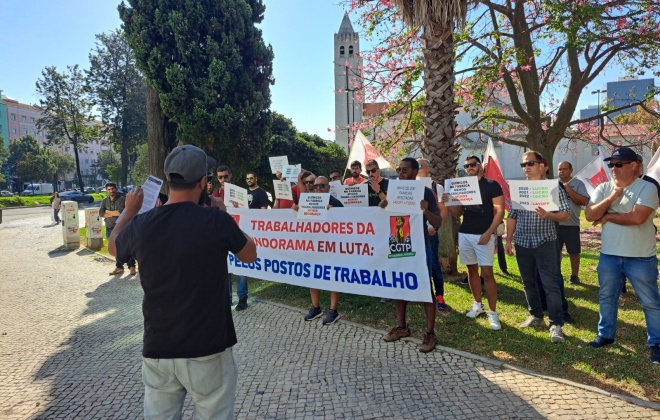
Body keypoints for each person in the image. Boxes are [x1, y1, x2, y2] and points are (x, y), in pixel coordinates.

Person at [109, 144, 257, 418]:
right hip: (208, 347)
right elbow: (249, 254)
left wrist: (130, 211)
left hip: (158, 347)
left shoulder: (142, 224)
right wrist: (223, 214)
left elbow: (114, 249)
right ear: (203, 182)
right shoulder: (215, 219)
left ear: (169, 179)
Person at [584, 147, 660, 363]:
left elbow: (637, 218)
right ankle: (605, 335)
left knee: (650, 302)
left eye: (619, 164)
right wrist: (610, 199)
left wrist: (607, 216)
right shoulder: (604, 188)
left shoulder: (647, 188)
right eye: (611, 164)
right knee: (606, 297)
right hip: (609, 255)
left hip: (640, 257)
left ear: (634, 165)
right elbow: (590, 215)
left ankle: (657, 342)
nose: (613, 168)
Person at [380, 157, 445, 353]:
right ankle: (401, 327)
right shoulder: (393, 190)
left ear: (416, 171)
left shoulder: (425, 192)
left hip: (420, 244)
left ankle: (430, 333)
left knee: (425, 288)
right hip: (399, 242)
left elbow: (438, 222)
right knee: (400, 285)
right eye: (399, 169)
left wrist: (425, 210)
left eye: (405, 170)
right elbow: (385, 217)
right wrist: (383, 206)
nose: (400, 173)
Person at [505, 151, 570, 343]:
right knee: (528, 282)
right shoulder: (520, 188)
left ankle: (556, 323)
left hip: (546, 242)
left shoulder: (554, 186)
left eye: (530, 164)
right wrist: (508, 240)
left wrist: (549, 215)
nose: (526, 167)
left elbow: (566, 214)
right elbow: (512, 215)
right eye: (524, 165)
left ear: (542, 166)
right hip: (523, 242)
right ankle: (536, 315)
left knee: (550, 284)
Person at [446, 156, 504, 330]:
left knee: (487, 273)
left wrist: (489, 232)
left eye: (472, 165)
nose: (469, 168)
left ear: (480, 166)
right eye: (466, 166)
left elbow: (500, 211)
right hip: (465, 233)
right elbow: (457, 213)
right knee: (471, 270)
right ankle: (478, 305)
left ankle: (493, 313)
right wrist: (448, 201)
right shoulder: (463, 185)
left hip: (484, 234)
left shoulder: (491, 185)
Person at [302, 176, 344, 325]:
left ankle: (333, 310)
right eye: (316, 186)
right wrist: (296, 210)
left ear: (328, 187)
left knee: (333, 277)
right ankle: (316, 307)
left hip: (331, 248)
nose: (318, 189)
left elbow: (343, 226)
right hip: (314, 246)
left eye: (322, 186)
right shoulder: (308, 202)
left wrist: (333, 214)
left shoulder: (336, 204)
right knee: (313, 275)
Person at [417, 157, 448, 311]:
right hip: (415, 233)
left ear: (427, 168)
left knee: (434, 264)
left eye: (420, 166)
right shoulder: (410, 186)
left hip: (430, 232)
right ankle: (422, 294)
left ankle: (440, 296)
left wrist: (434, 227)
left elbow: (443, 210)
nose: (417, 168)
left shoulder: (437, 187)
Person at [556, 161, 589, 284]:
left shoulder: (578, 184)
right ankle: (557, 274)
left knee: (574, 251)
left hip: (572, 224)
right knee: (555, 251)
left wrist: (569, 190)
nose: (561, 171)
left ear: (571, 170)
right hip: (555, 223)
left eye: (564, 169)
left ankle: (574, 276)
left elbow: (584, 201)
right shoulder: (553, 184)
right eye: (559, 169)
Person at [100, 182, 137, 276]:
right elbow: (101, 213)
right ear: (106, 190)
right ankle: (119, 267)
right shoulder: (105, 200)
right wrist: (112, 213)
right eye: (109, 189)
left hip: (121, 228)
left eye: (113, 189)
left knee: (126, 247)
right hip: (109, 228)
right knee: (115, 248)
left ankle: (131, 266)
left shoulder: (122, 200)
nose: (111, 191)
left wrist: (107, 212)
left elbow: (120, 213)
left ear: (116, 189)